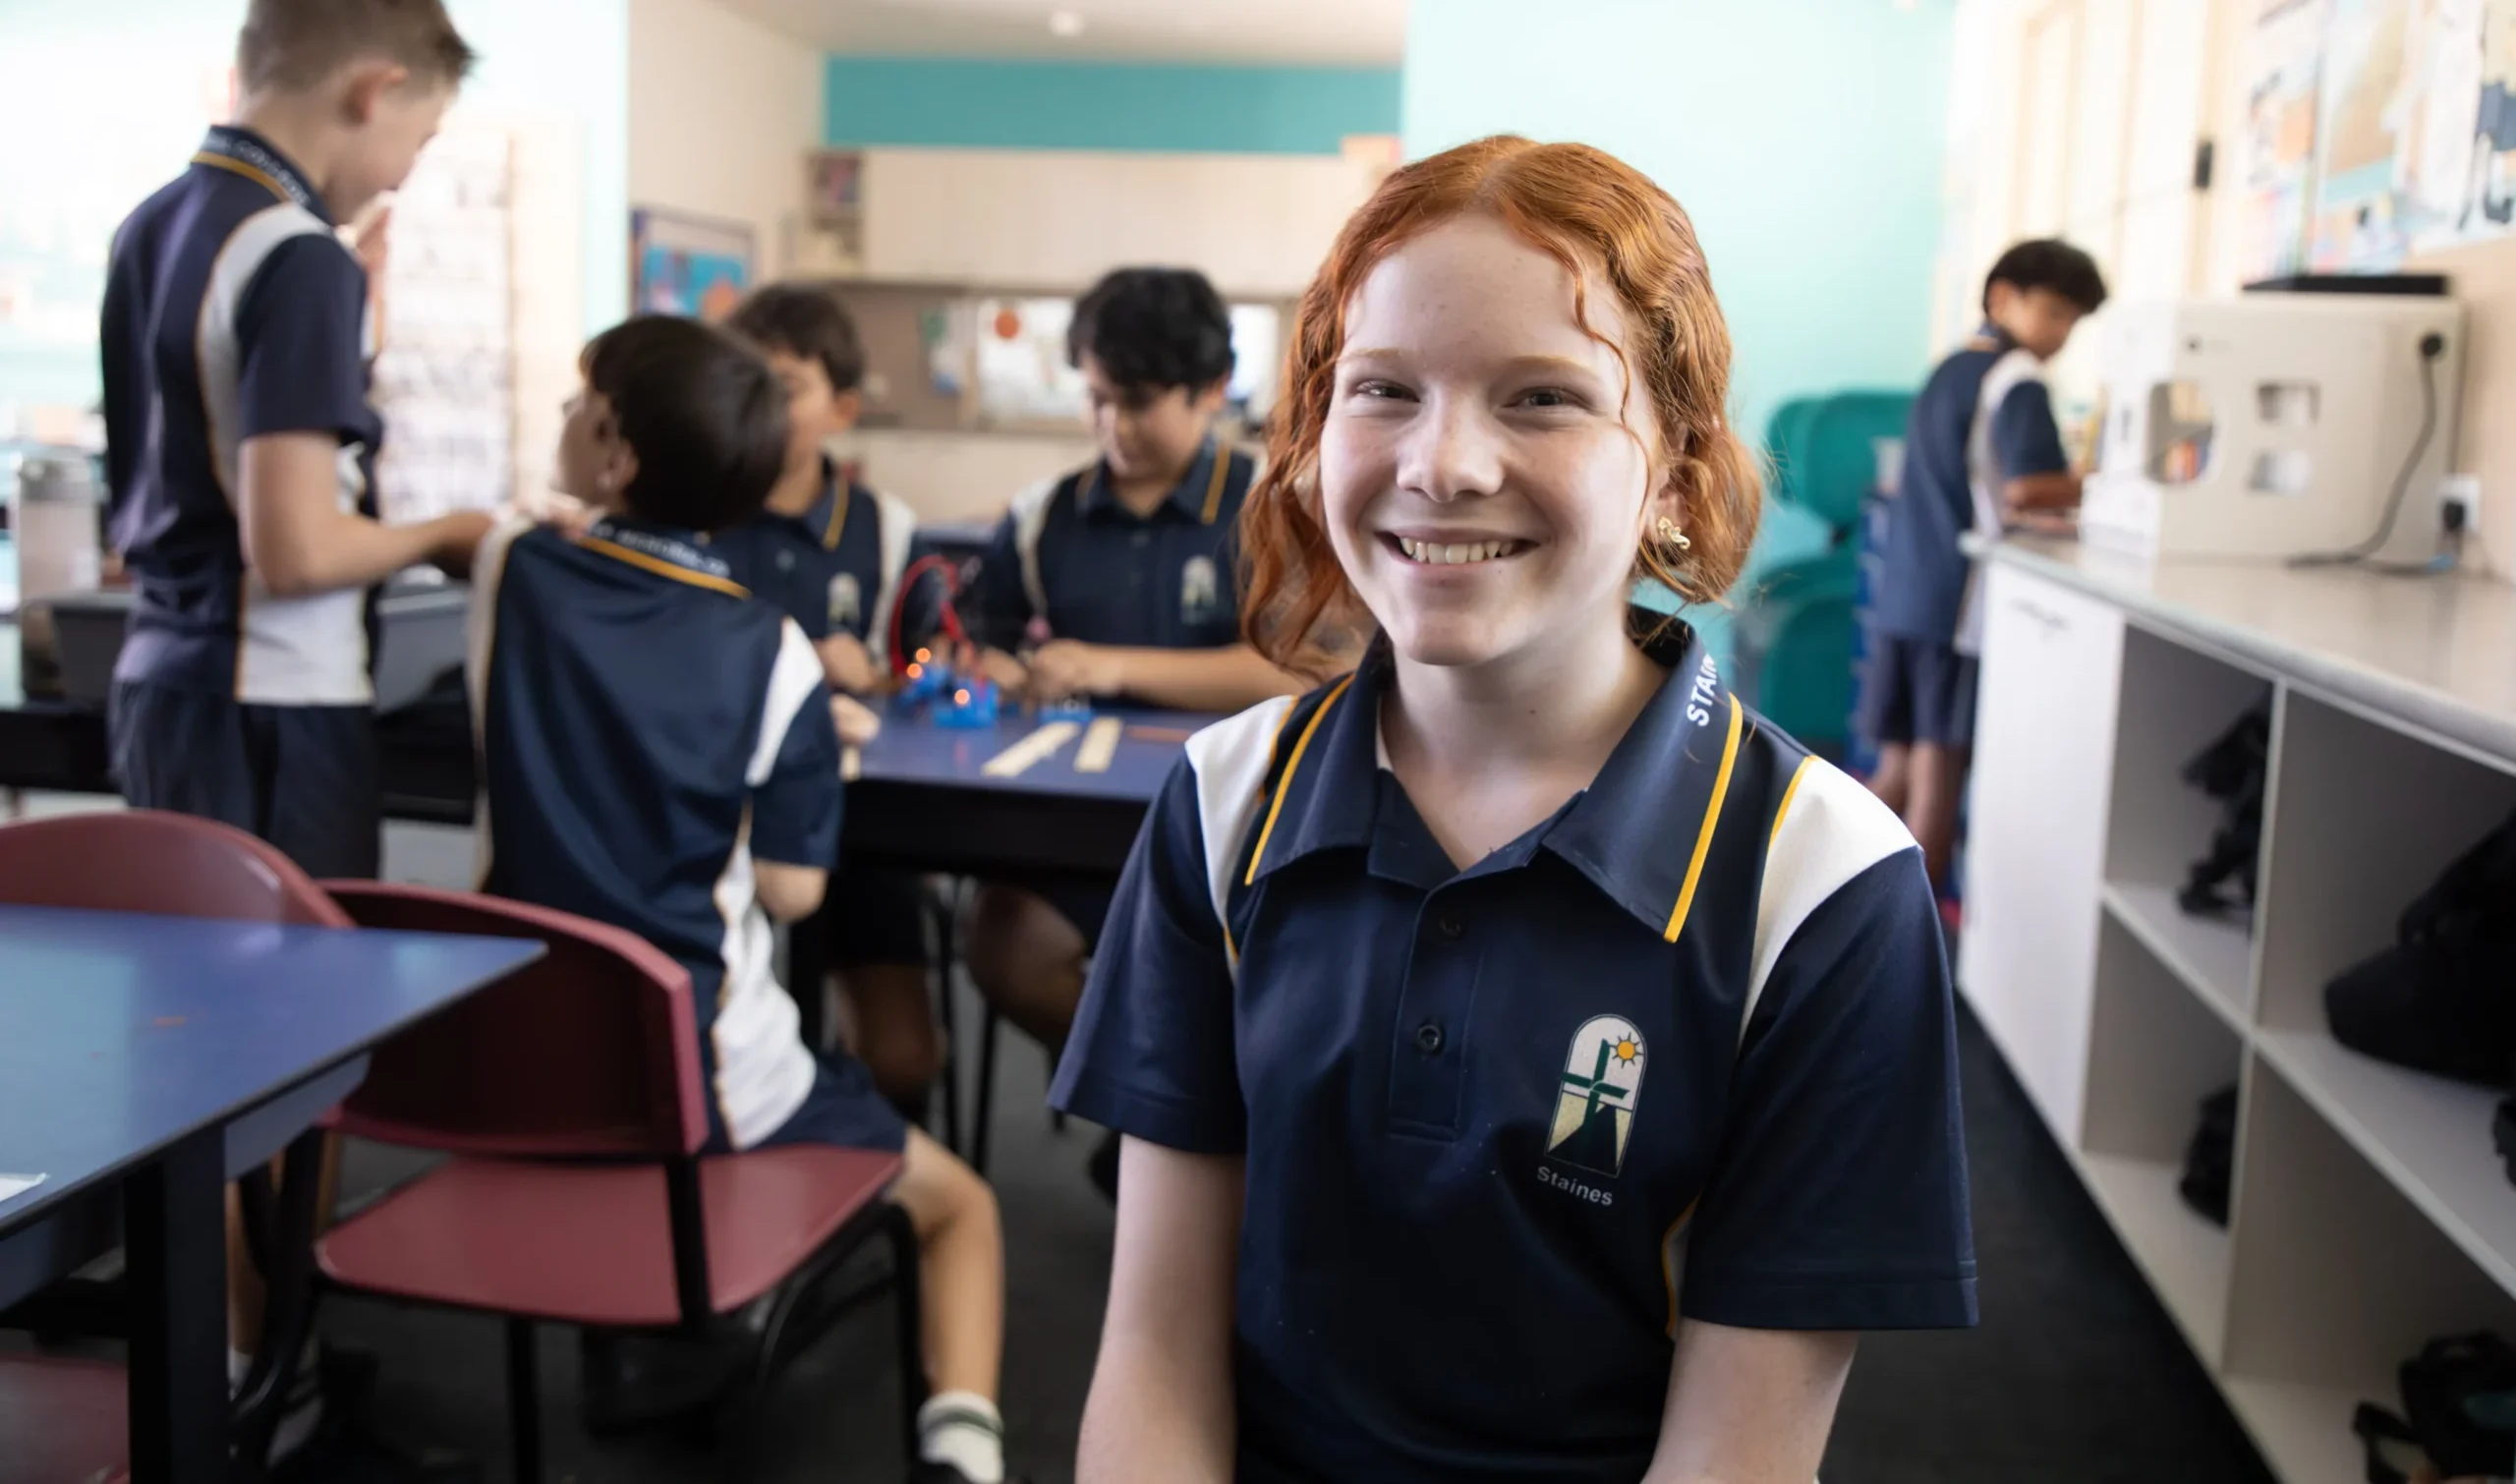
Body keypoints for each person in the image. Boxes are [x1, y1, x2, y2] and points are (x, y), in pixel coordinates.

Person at [1049, 136, 1977, 1483]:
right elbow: (1153, 1354)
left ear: (1674, 463)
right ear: (1314, 436)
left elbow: (1738, 1455)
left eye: (1542, 398)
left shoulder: (1824, 884)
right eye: (1384, 391)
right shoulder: (1220, 799)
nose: (1446, 463)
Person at [471, 316, 1012, 1484]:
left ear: (616, 452)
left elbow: (529, 541)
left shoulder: (508, 571)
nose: (562, 418)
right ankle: (961, 1450)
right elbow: (792, 889)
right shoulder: (774, 655)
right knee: (964, 1207)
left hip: (511, 1063)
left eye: (579, 401)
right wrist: (808, 744)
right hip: (697, 1079)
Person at [100, 0, 492, 881]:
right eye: (419, 142)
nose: (400, 179)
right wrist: (448, 533)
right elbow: (297, 551)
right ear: (374, 90)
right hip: (274, 707)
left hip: (162, 687)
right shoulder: (300, 255)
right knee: (305, 1011)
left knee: (190, 999)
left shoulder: (154, 226)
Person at [960, 266, 1305, 1090]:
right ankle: (1155, 1115)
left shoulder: (1275, 507)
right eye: (1098, 397)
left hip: (1239, 826)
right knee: (1002, 951)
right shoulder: (1046, 511)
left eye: (1140, 402)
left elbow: (1297, 673)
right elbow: (976, 638)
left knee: (1273, 996)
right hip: (1072, 827)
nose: (1114, 425)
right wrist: (998, 667)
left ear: (1213, 389)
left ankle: (1185, 1133)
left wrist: (1110, 664)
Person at [720, 283, 941, 1108]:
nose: (757, 407)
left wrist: (886, 676)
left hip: (857, 825)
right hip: (718, 820)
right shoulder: (697, 514)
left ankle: (847, 1164)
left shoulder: (886, 528)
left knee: (904, 1060)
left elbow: (923, 673)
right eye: (738, 381)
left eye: (782, 387)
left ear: (841, 406)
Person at [1863, 238, 2107, 892]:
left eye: (2071, 321)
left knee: (1893, 771)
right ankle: (1909, 942)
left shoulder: (1948, 369)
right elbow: (2029, 487)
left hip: (1907, 591)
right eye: (2053, 313)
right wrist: (2102, 479)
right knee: (1938, 786)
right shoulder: (2019, 375)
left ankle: (1806, 901)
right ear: (2002, 299)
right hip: (1958, 605)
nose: (2060, 335)